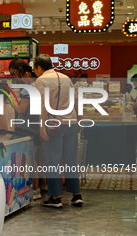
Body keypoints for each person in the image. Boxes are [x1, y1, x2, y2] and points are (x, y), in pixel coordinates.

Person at [33, 54, 83, 208]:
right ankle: (76, 195)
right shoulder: (66, 78)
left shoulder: (41, 81)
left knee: (52, 161)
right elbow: (75, 101)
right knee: (71, 159)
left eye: (35, 68)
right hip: (71, 122)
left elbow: (43, 106)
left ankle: (55, 198)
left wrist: (42, 128)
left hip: (54, 124)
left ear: (39, 67)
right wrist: (79, 120)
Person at [9, 58, 47, 200]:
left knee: (30, 159)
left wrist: (12, 100)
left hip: (26, 128)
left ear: (24, 73)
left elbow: (22, 109)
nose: (15, 78)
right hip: (35, 127)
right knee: (34, 158)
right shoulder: (37, 85)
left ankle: (34, 189)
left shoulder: (28, 89)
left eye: (15, 74)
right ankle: (39, 187)